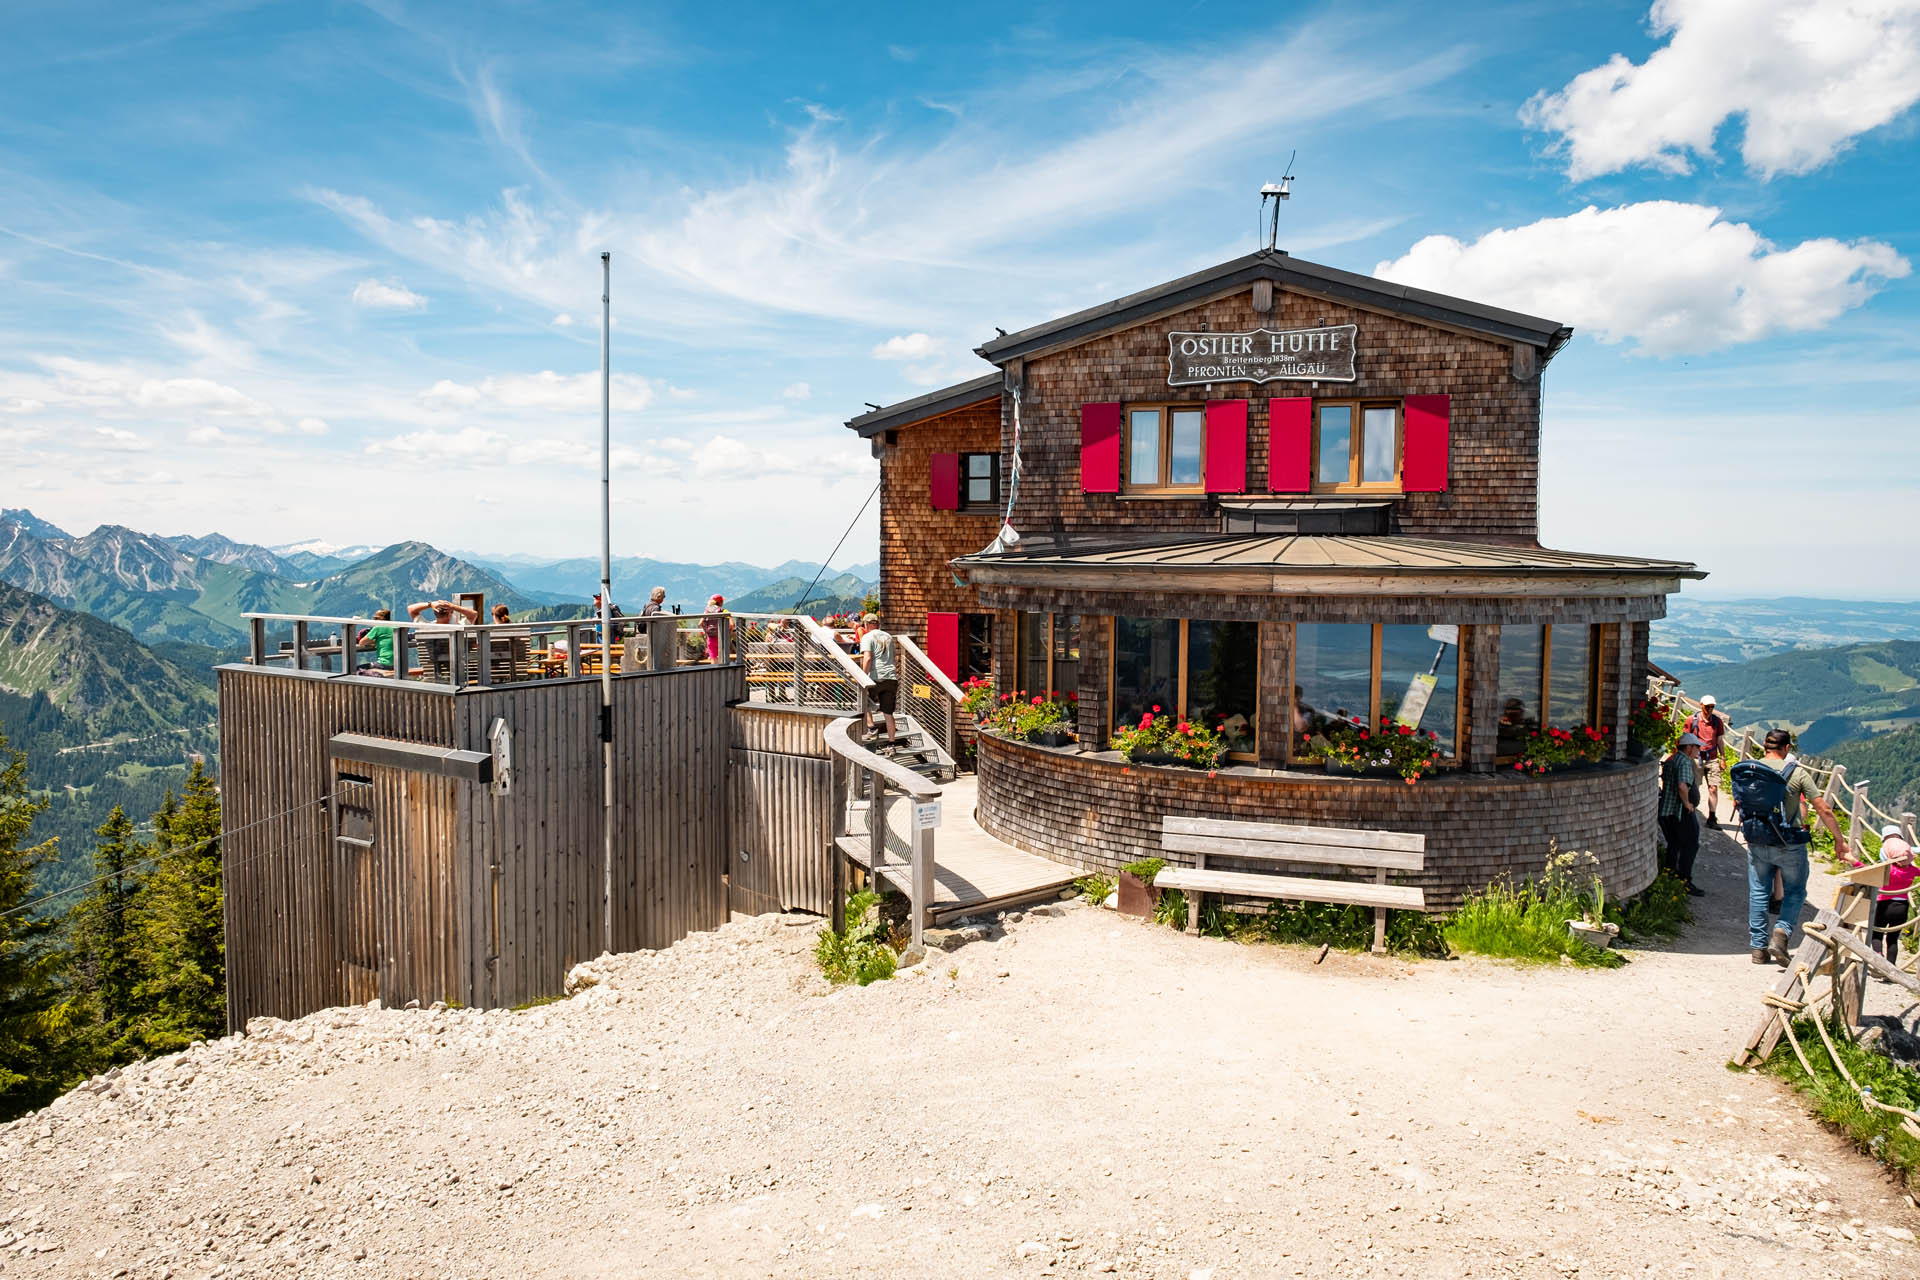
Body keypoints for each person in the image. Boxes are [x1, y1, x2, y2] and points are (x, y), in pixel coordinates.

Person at [1730, 728, 1846, 966]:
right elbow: (1823, 808)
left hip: (1756, 840)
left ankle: (1758, 950)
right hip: (1788, 842)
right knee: (1795, 892)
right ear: (1786, 748)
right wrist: (1839, 840)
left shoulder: (1748, 769)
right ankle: (1781, 933)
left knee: (1759, 893)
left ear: (1764, 745)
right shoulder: (1797, 773)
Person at [1659, 732, 1705, 895]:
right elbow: (1682, 786)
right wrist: (1687, 804)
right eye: (1696, 747)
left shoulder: (1673, 759)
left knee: (1674, 843)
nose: (1698, 750)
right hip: (1679, 811)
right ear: (1688, 747)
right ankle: (1685, 880)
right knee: (1691, 844)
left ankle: (1670, 875)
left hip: (1666, 809)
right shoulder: (1685, 762)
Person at [1866, 824, 1916, 969]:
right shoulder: (1912, 871)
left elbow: (1868, 868)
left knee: (1876, 934)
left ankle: (1877, 962)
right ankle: (1891, 968)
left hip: (1884, 904)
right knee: (1893, 939)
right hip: (1902, 907)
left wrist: (1852, 860)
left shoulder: (1888, 869)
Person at [1685, 696, 1729, 827]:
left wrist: (1723, 758)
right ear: (1701, 705)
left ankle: (1712, 817)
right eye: (1707, 706)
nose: (1710, 709)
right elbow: (1685, 739)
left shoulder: (1717, 722)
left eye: (1712, 707)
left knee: (1713, 788)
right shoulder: (1691, 721)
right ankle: (1691, 813)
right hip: (1695, 758)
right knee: (1694, 788)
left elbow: (1720, 740)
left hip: (1712, 758)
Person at [855, 612, 899, 744]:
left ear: (866, 625)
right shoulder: (889, 637)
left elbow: (867, 658)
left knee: (864, 701)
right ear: (878, 624)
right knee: (888, 713)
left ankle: (872, 728)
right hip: (891, 677)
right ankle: (892, 744)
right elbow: (893, 658)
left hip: (876, 676)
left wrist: (863, 677)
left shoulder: (867, 637)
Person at [355, 608, 396, 675]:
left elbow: (362, 643)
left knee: (355, 670)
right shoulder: (395, 626)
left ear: (382, 618)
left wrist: (374, 641)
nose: (374, 620)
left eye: (376, 618)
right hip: (398, 664)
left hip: (384, 664)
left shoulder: (379, 627)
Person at [701, 594, 726, 663]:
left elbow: (700, 623)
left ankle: (715, 672)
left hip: (711, 637)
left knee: (713, 658)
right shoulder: (722, 611)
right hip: (721, 637)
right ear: (720, 602)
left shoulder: (707, 611)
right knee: (723, 658)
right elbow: (731, 625)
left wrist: (706, 632)